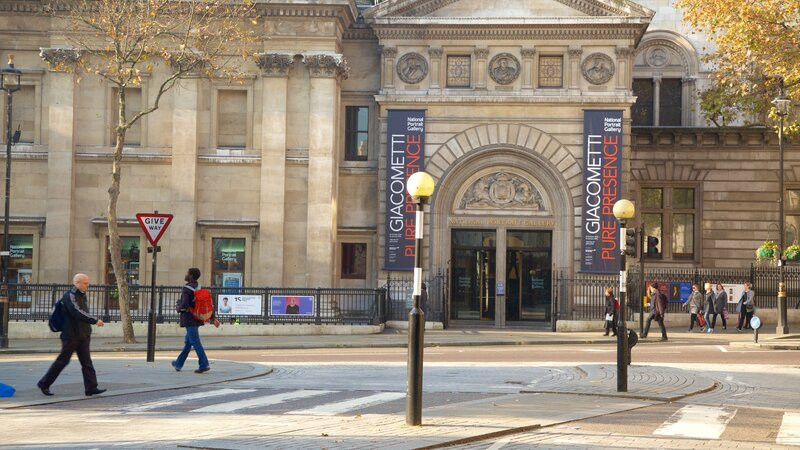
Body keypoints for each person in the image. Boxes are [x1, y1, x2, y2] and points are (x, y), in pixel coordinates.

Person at [37, 273, 106, 396]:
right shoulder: (69, 296)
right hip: (71, 335)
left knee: (86, 362)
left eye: (88, 283)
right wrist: (95, 320)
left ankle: (91, 388)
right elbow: (77, 312)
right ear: (77, 283)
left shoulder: (82, 295)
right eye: (85, 283)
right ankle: (44, 383)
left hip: (83, 334)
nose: (87, 285)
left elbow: (83, 312)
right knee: (62, 361)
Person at [172, 268, 219, 373]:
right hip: (197, 318)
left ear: (191, 276)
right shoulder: (198, 287)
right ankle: (178, 363)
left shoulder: (187, 289)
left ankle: (204, 364)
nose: (186, 274)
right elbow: (205, 304)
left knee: (195, 342)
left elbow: (184, 305)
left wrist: (178, 307)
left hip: (189, 319)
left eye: (187, 273)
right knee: (188, 343)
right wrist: (212, 317)